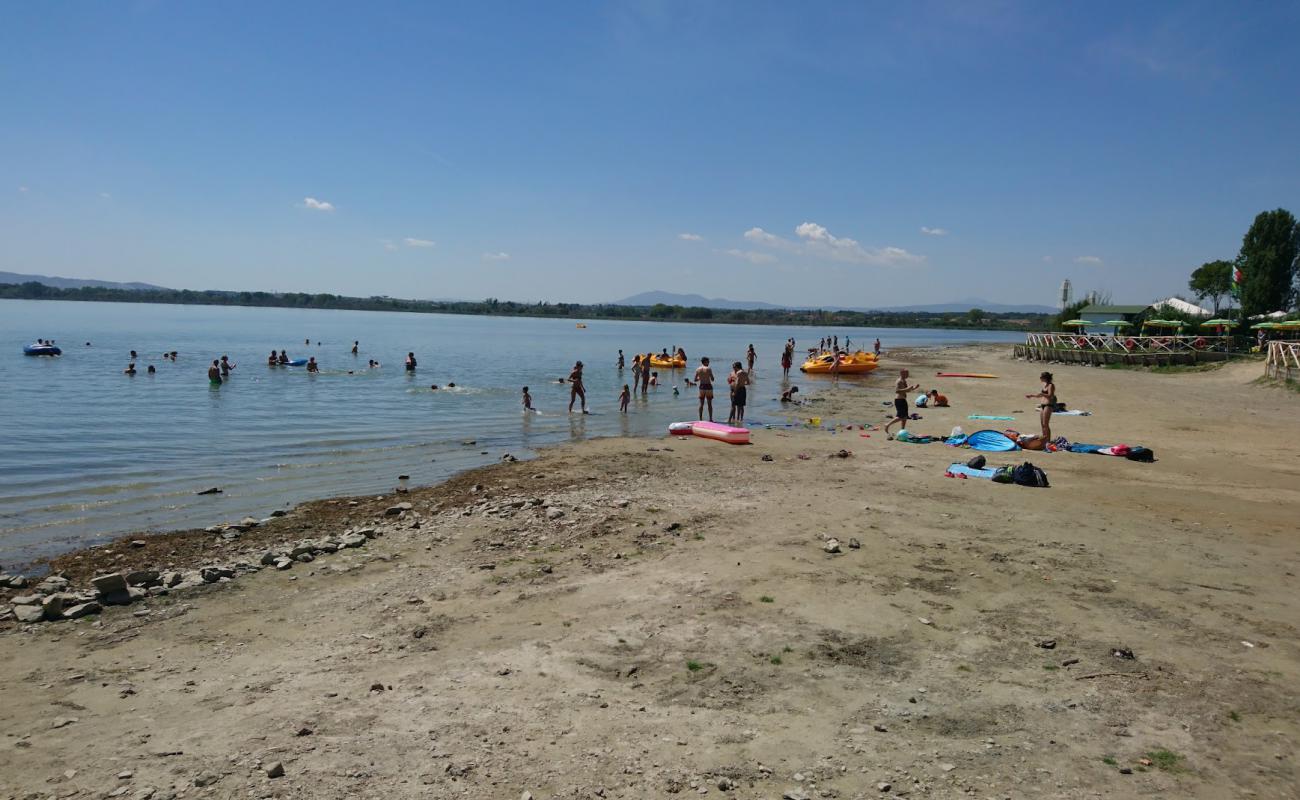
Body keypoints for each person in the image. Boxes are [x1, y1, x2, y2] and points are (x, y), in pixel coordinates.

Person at [884, 369, 920, 439]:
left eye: (908, 373)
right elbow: (897, 391)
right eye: (906, 373)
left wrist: (915, 388)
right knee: (900, 417)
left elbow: (907, 390)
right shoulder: (899, 381)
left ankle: (902, 430)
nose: (907, 375)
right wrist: (907, 389)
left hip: (903, 400)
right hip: (899, 400)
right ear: (901, 373)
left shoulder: (904, 381)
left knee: (905, 416)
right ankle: (887, 425)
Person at [1026, 371, 1056, 442]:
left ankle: (1048, 441)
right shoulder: (1045, 385)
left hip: (1048, 405)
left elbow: (1050, 396)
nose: (1040, 378)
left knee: (1046, 424)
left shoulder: (1051, 385)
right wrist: (1031, 395)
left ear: (1045, 378)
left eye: (1041, 377)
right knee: (1042, 424)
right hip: (1042, 405)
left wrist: (1042, 394)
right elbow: (1040, 395)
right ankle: (1044, 440)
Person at [694, 357, 715, 422]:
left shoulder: (698, 369)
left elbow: (695, 380)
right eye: (708, 361)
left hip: (702, 386)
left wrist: (700, 378)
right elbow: (712, 379)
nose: (708, 363)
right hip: (708, 386)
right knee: (709, 404)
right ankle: (710, 419)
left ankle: (700, 419)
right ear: (705, 362)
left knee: (701, 404)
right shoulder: (708, 369)